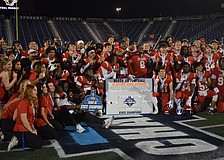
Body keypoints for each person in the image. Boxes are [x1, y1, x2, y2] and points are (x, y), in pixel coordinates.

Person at [7, 84, 43, 151]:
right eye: (34, 90)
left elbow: (31, 119)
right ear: (29, 91)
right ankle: (18, 139)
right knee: (38, 144)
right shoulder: (23, 102)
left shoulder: (31, 103)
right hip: (21, 129)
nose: (36, 92)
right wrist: (31, 130)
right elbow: (24, 119)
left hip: (27, 127)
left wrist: (33, 128)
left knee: (39, 141)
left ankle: (19, 141)